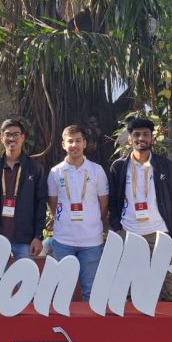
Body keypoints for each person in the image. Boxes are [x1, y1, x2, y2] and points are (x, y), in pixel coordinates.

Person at [108, 117, 172, 301]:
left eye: (145, 134)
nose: (141, 138)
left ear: (152, 138)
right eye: (136, 134)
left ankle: (168, 318)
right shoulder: (119, 167)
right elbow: (112, 200)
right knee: (127, 289)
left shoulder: (165, 166)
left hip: (159, 233)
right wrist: (116, 226)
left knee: (169, 290)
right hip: (129, 233)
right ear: (129, 138)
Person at [47, 125, 109, 300]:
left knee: (91, 291)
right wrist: (64, 221)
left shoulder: (97, 170)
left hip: (91, 241)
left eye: (78, 141)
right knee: (63, 292)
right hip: (63, 241)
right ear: (63, 145)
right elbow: (52, 204)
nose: (74, 145)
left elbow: (104, 204)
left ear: (84, 143)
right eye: (70, 141)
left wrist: (93, 222)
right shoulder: (55, 172)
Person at [0, 119, 47, 259]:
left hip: (25, 240)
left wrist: (38, 236)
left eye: (16, 134)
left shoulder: (34, 168)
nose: (12, 138)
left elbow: (41, 203)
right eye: (8, 134)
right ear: (1, 138)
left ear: (22, 138)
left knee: (26, 274)